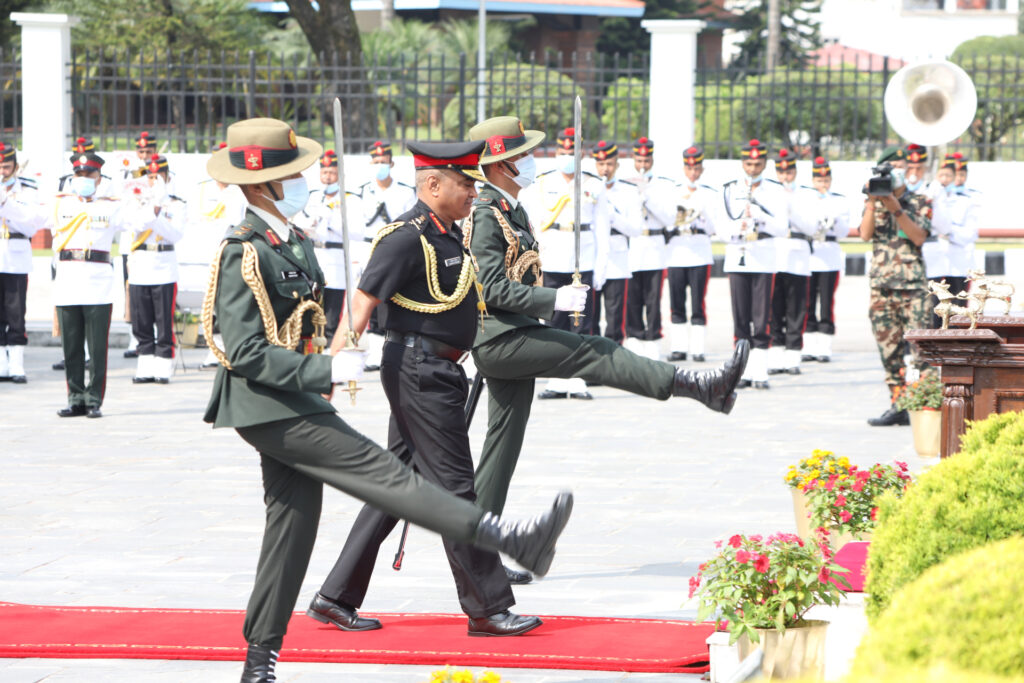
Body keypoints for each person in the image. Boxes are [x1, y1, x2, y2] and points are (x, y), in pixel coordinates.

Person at [200, 118, 573, 683]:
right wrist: (328, 363)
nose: (303, 179)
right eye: (292, 174)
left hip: (297, 397)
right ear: (261, 185)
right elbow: (246, 351)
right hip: (265, 405)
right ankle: (513, 539)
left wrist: (326, 361)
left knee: (291, 530)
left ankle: (260, 662)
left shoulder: (289, 240)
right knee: (389, 477)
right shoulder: (242, 251)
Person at [464, 116, 748, 574]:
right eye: (523, 155)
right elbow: (491, 287)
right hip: (499, 338)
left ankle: (478, 551)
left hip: (511, 334)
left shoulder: (510, 209)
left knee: (503, 442)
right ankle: (698, 386)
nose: (532, 161)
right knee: (589, 350)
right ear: (501, 166)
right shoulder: (485, 214)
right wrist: (552, 298)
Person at [308, 139, 544, 639]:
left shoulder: (449, 235)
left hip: (437, 370)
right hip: (419, 371)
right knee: (456, 491)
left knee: (397, 486)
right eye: (464, 185)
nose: (472, 194)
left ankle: (334, 596)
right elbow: (361, 301)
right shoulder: (405, 237)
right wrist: (330, 370)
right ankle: (487, 608)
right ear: (432, 185)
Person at [520, 126, 603, 400]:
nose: (567, 155)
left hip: (583, 260)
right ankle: (556, 379)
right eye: (563, 151)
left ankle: (579, 378)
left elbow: (602, 228)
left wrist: (601, 266)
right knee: (554, 322)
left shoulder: (593, 184)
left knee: (581, 322)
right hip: (552, 259)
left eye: (572, 151)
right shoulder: (542, 183)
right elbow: (530, 226)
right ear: (557, 153)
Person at [50, 150, 131, 418]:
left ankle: (94, 399)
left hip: (98, 282)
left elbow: (133, 222)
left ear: (99, 178)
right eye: (79, 174)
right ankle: (75, 398)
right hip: (68, 280)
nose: (83, 178)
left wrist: (144, 198)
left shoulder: (111, 205)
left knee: (96, 347)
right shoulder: (60, 204)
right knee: (71, 346)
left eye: (89, 174)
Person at [860, 155, 932, 427]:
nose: (895, 175)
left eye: (898, 170)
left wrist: (896, 208)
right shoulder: (873, 202)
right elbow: (865, 235)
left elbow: (918, 237)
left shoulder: (920, 201)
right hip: (881, 286)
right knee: (888, 351)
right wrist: (872, 201)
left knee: (920, 351)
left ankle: (925, 403)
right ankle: (898, 403)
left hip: (912, 287)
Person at [720, 139, 789, 389]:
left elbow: (782, 228)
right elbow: (720, 227)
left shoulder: (775, 190)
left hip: (762, 257)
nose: (752, 168)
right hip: (738, 255)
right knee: (740, 318)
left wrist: (761, 217)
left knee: (761, 319)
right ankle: (741, 371)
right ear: (742, 164)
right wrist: (736, 227)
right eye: (748, 163)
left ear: (765, 164)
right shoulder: (730, 189)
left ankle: (760, 371)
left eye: (758, 163)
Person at [357, 140, 416, 371]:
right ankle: (373, 353)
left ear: (392, 163)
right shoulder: (362, 191)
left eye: (384, 161)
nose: (380, 165)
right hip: (368, 249)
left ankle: (391, 347)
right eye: (376, 161)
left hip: (394, 250)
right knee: (370, 297)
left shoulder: (404, 190)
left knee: (393, 298)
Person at [126, 154, 186, 384]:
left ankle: (162, 364)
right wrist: (154, 209)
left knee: (163, 319)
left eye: (159, 176)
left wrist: (157, 211)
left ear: (167, 177)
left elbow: (174, 234)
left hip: (164, 264)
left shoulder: (177, 204)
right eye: (150, 177)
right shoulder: (134, 201)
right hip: (141, 262)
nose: (154, 181)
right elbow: (136, 224)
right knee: (141, 319)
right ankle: (145, 363)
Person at [296, 149, 363, 345]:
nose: (328, 177)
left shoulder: (350, 199)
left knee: (332, 309)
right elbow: (298, 221)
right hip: (314, 254)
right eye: (324, 173)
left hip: (336, 256)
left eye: (332, 173)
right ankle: (311, 343)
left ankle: (330, 346)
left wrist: (332, 221)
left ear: (339, 175)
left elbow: (357, 232)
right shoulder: (312, 196)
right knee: (312, 303)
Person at [665, 145, 717, 363]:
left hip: (699, 252)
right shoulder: (673, 191)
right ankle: (678, 347)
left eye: (697, 168)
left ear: (702, 169)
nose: (693, 172)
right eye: (689, 168)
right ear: (684, 168)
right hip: (677, 251)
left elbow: (715, 228)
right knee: (676, 301)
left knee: (698, 303)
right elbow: (667, 222)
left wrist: (702, 211)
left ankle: (698, 348)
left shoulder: (709, 194)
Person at [0, 141, 46, 383]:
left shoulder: (27, 190)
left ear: (15, 167)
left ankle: (16, 363)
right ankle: (1, 364)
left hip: (16, 256)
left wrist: (7, 205)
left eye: (6, 167)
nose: (1, 172)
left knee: (16, 313)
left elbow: (31, 222)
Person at [624, 136, 674, 361]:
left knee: (653, 299)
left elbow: (669, 218)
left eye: (646, 159)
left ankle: (653, 341)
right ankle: (634, 339)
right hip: (633, 246)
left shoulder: (663, 184)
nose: (642, 164)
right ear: (634, 158)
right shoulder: (625, 183)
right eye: (639, 159)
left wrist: (647, 198)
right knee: (632, 297)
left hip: (654, 246)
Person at [591, 140, 641, 345]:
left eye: (609, 164)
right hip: (592, 259)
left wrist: (611, 216)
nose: (605, 169)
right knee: (590, 319)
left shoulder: (629, 191)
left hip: (616, 261)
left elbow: (636, 229)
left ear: (617, 164)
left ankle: (614, 366)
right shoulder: (588, 187)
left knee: (615, 321)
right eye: (601, 164)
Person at [767, 148, 812, 376]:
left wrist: (791, 211)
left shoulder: (806, 193)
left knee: (796, 308)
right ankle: (775, 352)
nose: (785, 176)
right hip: (775, 253)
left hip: (798, 254)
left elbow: (812, 227)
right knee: (774, 307)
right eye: (781, 171)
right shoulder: (768, 191)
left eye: (789, 171)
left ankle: (793, 354)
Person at [801, 156, 850, 363]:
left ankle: (825, 345)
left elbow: (844, 231)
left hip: (829, 254)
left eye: (826, 181)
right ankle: (809, 344)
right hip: (810, 255)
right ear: (813, 181)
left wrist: (835, 219)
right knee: (807, 302)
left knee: (826, 302)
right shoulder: (805, 198)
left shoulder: (838, 200)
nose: (823, 184)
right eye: (819, 181)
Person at [119, 132, 162, 359]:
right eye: (141, 152)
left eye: (149, 152)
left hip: (155, 242)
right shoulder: (129, 177)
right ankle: (133, 337)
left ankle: (154, 335)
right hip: (132, 244)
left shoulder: (163, 176)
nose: (145, 156)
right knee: (131, 293)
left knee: (154, 295)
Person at [923, 152, 977, 329]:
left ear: (955, 178)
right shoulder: (927, 198)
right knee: (932, 311)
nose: (944, 179)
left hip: (957, 263)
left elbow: (970, 234)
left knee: (957, 312)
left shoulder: (965, 201)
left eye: (948, 176)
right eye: (941, 175)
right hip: (933, 262)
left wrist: (950, 232)